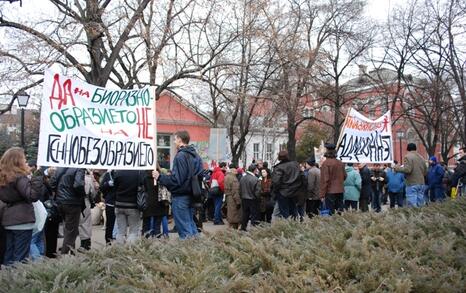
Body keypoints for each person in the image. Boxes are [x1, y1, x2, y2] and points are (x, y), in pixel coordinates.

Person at [153, 130, 202, 239]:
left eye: (175, 139)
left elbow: (177, 180)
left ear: (180, 139)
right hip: (192, 195)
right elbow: (198, 175)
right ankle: (198, 252)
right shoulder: (196, 156)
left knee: (185, 231)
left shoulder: (180, 156)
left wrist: (160, 177)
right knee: (191, 226)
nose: (174, 142)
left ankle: (189, 254)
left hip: (181, 197)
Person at [0, 148, 43, 265]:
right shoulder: (19, 177)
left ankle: (7, 280)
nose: (25, 160)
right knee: (20, 257)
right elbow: (32, 196)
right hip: (22, 220)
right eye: (24, 157)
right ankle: (17, 281)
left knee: (9, 255)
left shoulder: (4, 177)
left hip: (9, 220)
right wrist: (38, 177)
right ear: (18, 160)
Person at [50, 167, 86, 255]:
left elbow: (52, 183)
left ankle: (71, 252)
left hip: (60, 202)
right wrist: (82, 195)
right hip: (72, 203)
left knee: (68, 228)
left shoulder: (60, 168)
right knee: (71, 231)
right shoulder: (79, 168)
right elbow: (78, 185)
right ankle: (64, 255)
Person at [394, 143, 427, 207]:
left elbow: (408, 170)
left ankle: (414, 216)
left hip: (412, 183)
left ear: (408, 149)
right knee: (420, 205)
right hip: (421, 183)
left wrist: (397, 168)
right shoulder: (421, 157)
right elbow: (425, 171)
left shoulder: (408, 156)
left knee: (412, 206)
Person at [113, 169, 141, 244]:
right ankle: (129, 250)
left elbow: (114, 188)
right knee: (133, 231)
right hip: (133, 205)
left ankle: (119, 250)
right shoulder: (138, 173)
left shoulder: (118, 172)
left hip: (119, 204)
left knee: (121, 231)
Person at [272, 150, 302, 219]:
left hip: (283, 193)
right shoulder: (296, 165)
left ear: (279, 158)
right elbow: (301, 177)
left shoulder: (278, 168)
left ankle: (287, 227)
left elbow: (276, 182)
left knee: (284, 213)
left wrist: (276, 192)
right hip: (294, 191)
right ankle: (295, 226)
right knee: (294, 211)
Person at [142, 169, 169, 238]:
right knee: (157, 227)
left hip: (148, 204)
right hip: (159, 204)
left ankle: (145, 243)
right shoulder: (161, 177)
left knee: (146, 227)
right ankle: (157, 243)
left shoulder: (144, 177)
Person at [319, 144, 346, 215]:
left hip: (330, 191)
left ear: (327, 152)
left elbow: (325, 180)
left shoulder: (325, 164)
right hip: (340, 190)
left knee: (330, 213)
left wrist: (322, 195)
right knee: (339, 212)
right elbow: (345, 176)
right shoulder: (340, 163)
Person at [239, 164, 261, 231]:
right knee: (254, 214)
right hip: (253, 199)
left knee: (245, 214)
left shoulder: (242, 178)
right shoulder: (256, 179)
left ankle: (243, 227)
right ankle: (253, 229)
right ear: (254, 170)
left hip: (244, 198)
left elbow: (240, 189)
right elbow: (258, 192)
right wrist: (258, 198)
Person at [100, 170, 116, 244]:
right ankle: (108, 242)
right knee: (110, 224)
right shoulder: (107, 175)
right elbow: (102, 188)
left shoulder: (122, 173)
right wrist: (107, 184)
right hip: (111, 203)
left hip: (120, 203)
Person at [224, 164, 241, 229]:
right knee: (234, 213)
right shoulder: (233, 178)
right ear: (233, 170)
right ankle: (233, 229)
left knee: (230, 213)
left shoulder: (226, 176)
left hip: (228, 196)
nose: (237, 171)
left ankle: (230, 227)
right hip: (233, 198)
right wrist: (238, 201)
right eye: (236, 169)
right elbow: (235, 191)